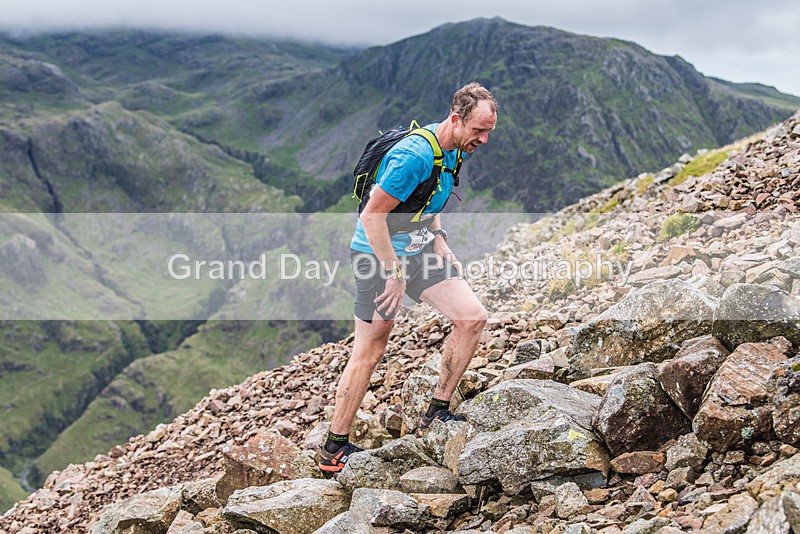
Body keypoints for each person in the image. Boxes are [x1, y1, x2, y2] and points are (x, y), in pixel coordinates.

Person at [318, 82, 498, 473]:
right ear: (456, 119)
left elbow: (429, 198)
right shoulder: (412, 156)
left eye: (488, 132)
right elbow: (372, 216)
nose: (483, 139)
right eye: (478, 131)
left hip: (417, 248)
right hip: (376, 252)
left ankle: (437, 411)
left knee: (472, 317)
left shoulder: (453, 150)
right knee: (371, 348)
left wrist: (439, 238)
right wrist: (393, 274)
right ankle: (334, 448)